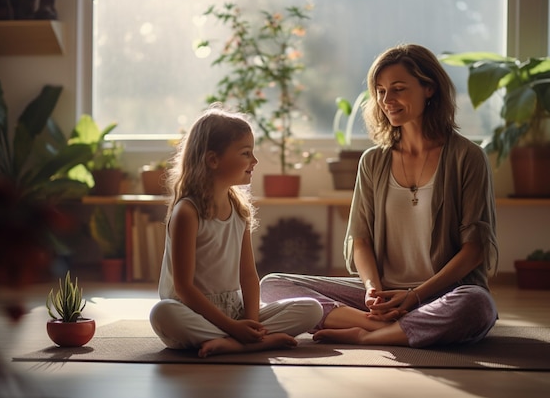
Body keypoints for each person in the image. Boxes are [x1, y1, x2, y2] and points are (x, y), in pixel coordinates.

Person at [260, 44, 498, 348]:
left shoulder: (469, 157)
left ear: (429, 89)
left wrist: (414, 296)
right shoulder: (373, 161)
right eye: (381, 91)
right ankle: (378, 324)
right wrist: (373, 291)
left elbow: (474, 250)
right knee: (274, 285)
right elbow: (360, 239)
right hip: (382, 296)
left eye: (398, 89)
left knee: (477, 305)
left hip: (441, 293)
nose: (387, 100)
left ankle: (366, 335)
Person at [149, 105, 323, 358]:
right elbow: (184, 287)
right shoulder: (187, 212)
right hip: (191, 311)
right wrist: (233, 328)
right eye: (245, 153)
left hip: (234, 310)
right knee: (162, 313)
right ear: (213, 160)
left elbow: (249, 277)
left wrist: (251, 325)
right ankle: (243, 342)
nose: (254, 161)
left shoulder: (239, 210)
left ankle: (235, 343)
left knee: (312, 309)